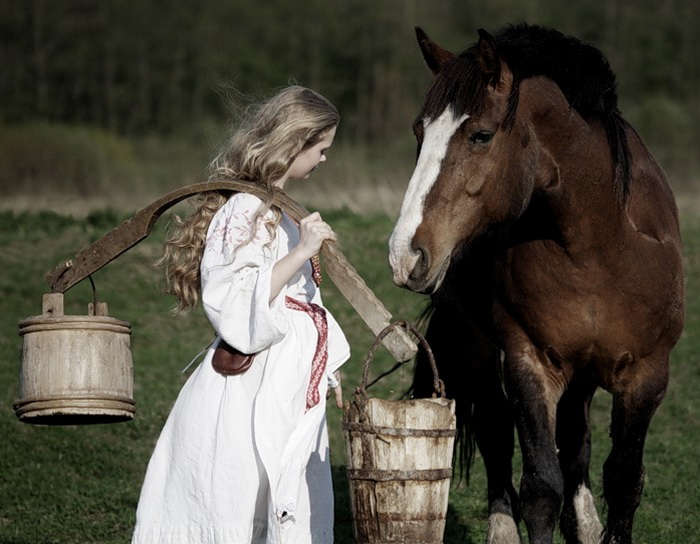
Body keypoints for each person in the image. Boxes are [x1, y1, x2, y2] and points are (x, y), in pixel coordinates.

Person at [132, 85, 350, 544]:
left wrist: (323, 367)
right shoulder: (247, 208)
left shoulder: (284, 211)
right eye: (321, 148)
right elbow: (231, 295)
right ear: (294, 144)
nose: (325, 159)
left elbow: (303, 303)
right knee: (238, 492)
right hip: (250, 385)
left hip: (286, 380)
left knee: (284, 492)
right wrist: (303, 252)